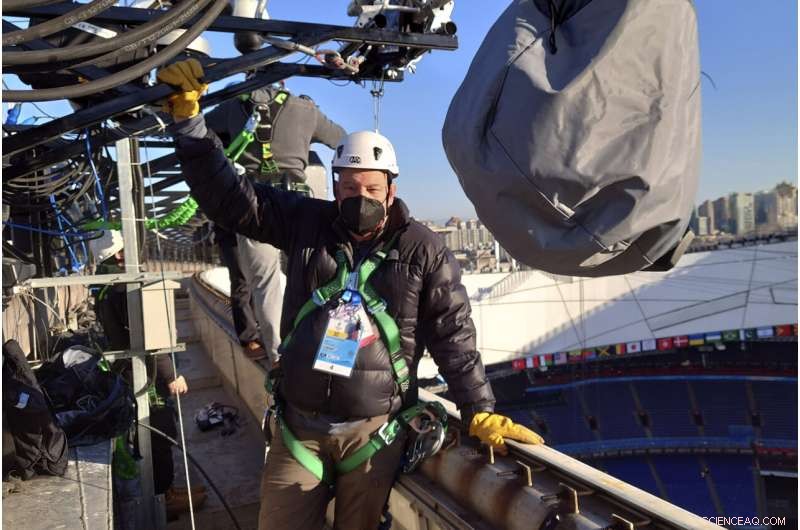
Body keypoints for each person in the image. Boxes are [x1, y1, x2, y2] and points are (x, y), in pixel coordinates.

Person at [158, 59, 543, 530]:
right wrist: (190, 125)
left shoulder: (422, 249)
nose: (359, 197)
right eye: (348, 186)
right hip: (299, 428)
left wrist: (479, 410)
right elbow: (231, 199)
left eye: (371, 188)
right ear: (335, 184)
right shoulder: (307, 223)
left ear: (391, 189)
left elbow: (452, 333)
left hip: (373, 436)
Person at [204, 75, 347, 364]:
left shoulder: (233, 108)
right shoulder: (304, 110)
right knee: (317, 274)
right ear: (282, 79)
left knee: (266, 284)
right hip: (301, 203)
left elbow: (202, 132)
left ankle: (279, 359)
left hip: (255, 206)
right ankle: (328, 354)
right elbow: (342, 140)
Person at [89, 230, 206, 518]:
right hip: (145, 374)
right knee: (159, 432)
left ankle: (164, 491)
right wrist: (171, 375)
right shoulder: (126, 290)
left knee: (148, 435)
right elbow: (152, 340)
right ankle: (164, 499)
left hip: (127, 372)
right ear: (119, 254)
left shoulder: (105, 288)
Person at [214, 223, 266, 359]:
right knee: (241, 282)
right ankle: (249, 339)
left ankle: (259, 328)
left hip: (254, 232)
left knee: (256, 281)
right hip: (231, 235)